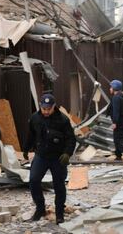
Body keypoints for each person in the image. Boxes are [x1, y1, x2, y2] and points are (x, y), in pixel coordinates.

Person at [25, 94, 76, 224]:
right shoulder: (35, 118)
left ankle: (59, 213)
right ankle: (40, 208)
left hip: (57, 158)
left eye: (49, 109)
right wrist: (26, 149)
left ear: (54, 106)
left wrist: (67, 154)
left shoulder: (63, 120)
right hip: (41, 156)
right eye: (44, 108)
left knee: (59, 185)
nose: (46, 111)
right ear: (40, 106)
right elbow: (31, 135)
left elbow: (71, 139)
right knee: (34, 180)